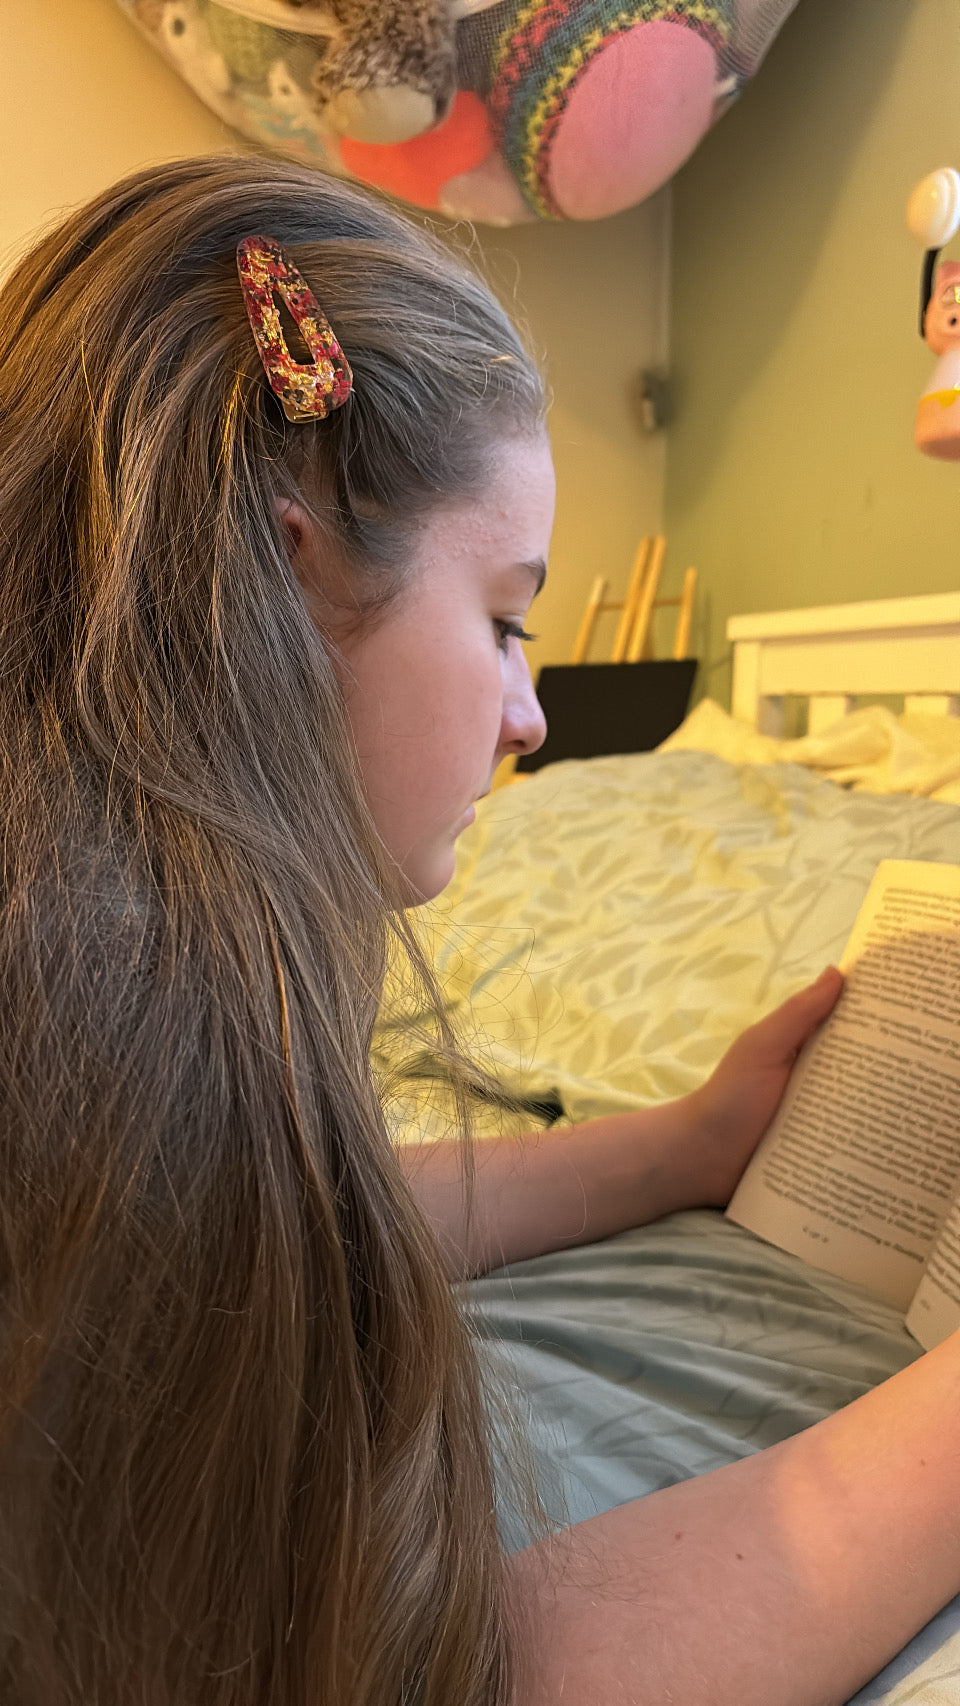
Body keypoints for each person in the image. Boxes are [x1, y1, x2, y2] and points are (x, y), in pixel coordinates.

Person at [0, 151, 956, 1706]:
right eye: (508, 617)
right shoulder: (114, 1042)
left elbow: (298, 1218)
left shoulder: (94, 939)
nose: (533, 713)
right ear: (292, 575)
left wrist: (687, 1143)